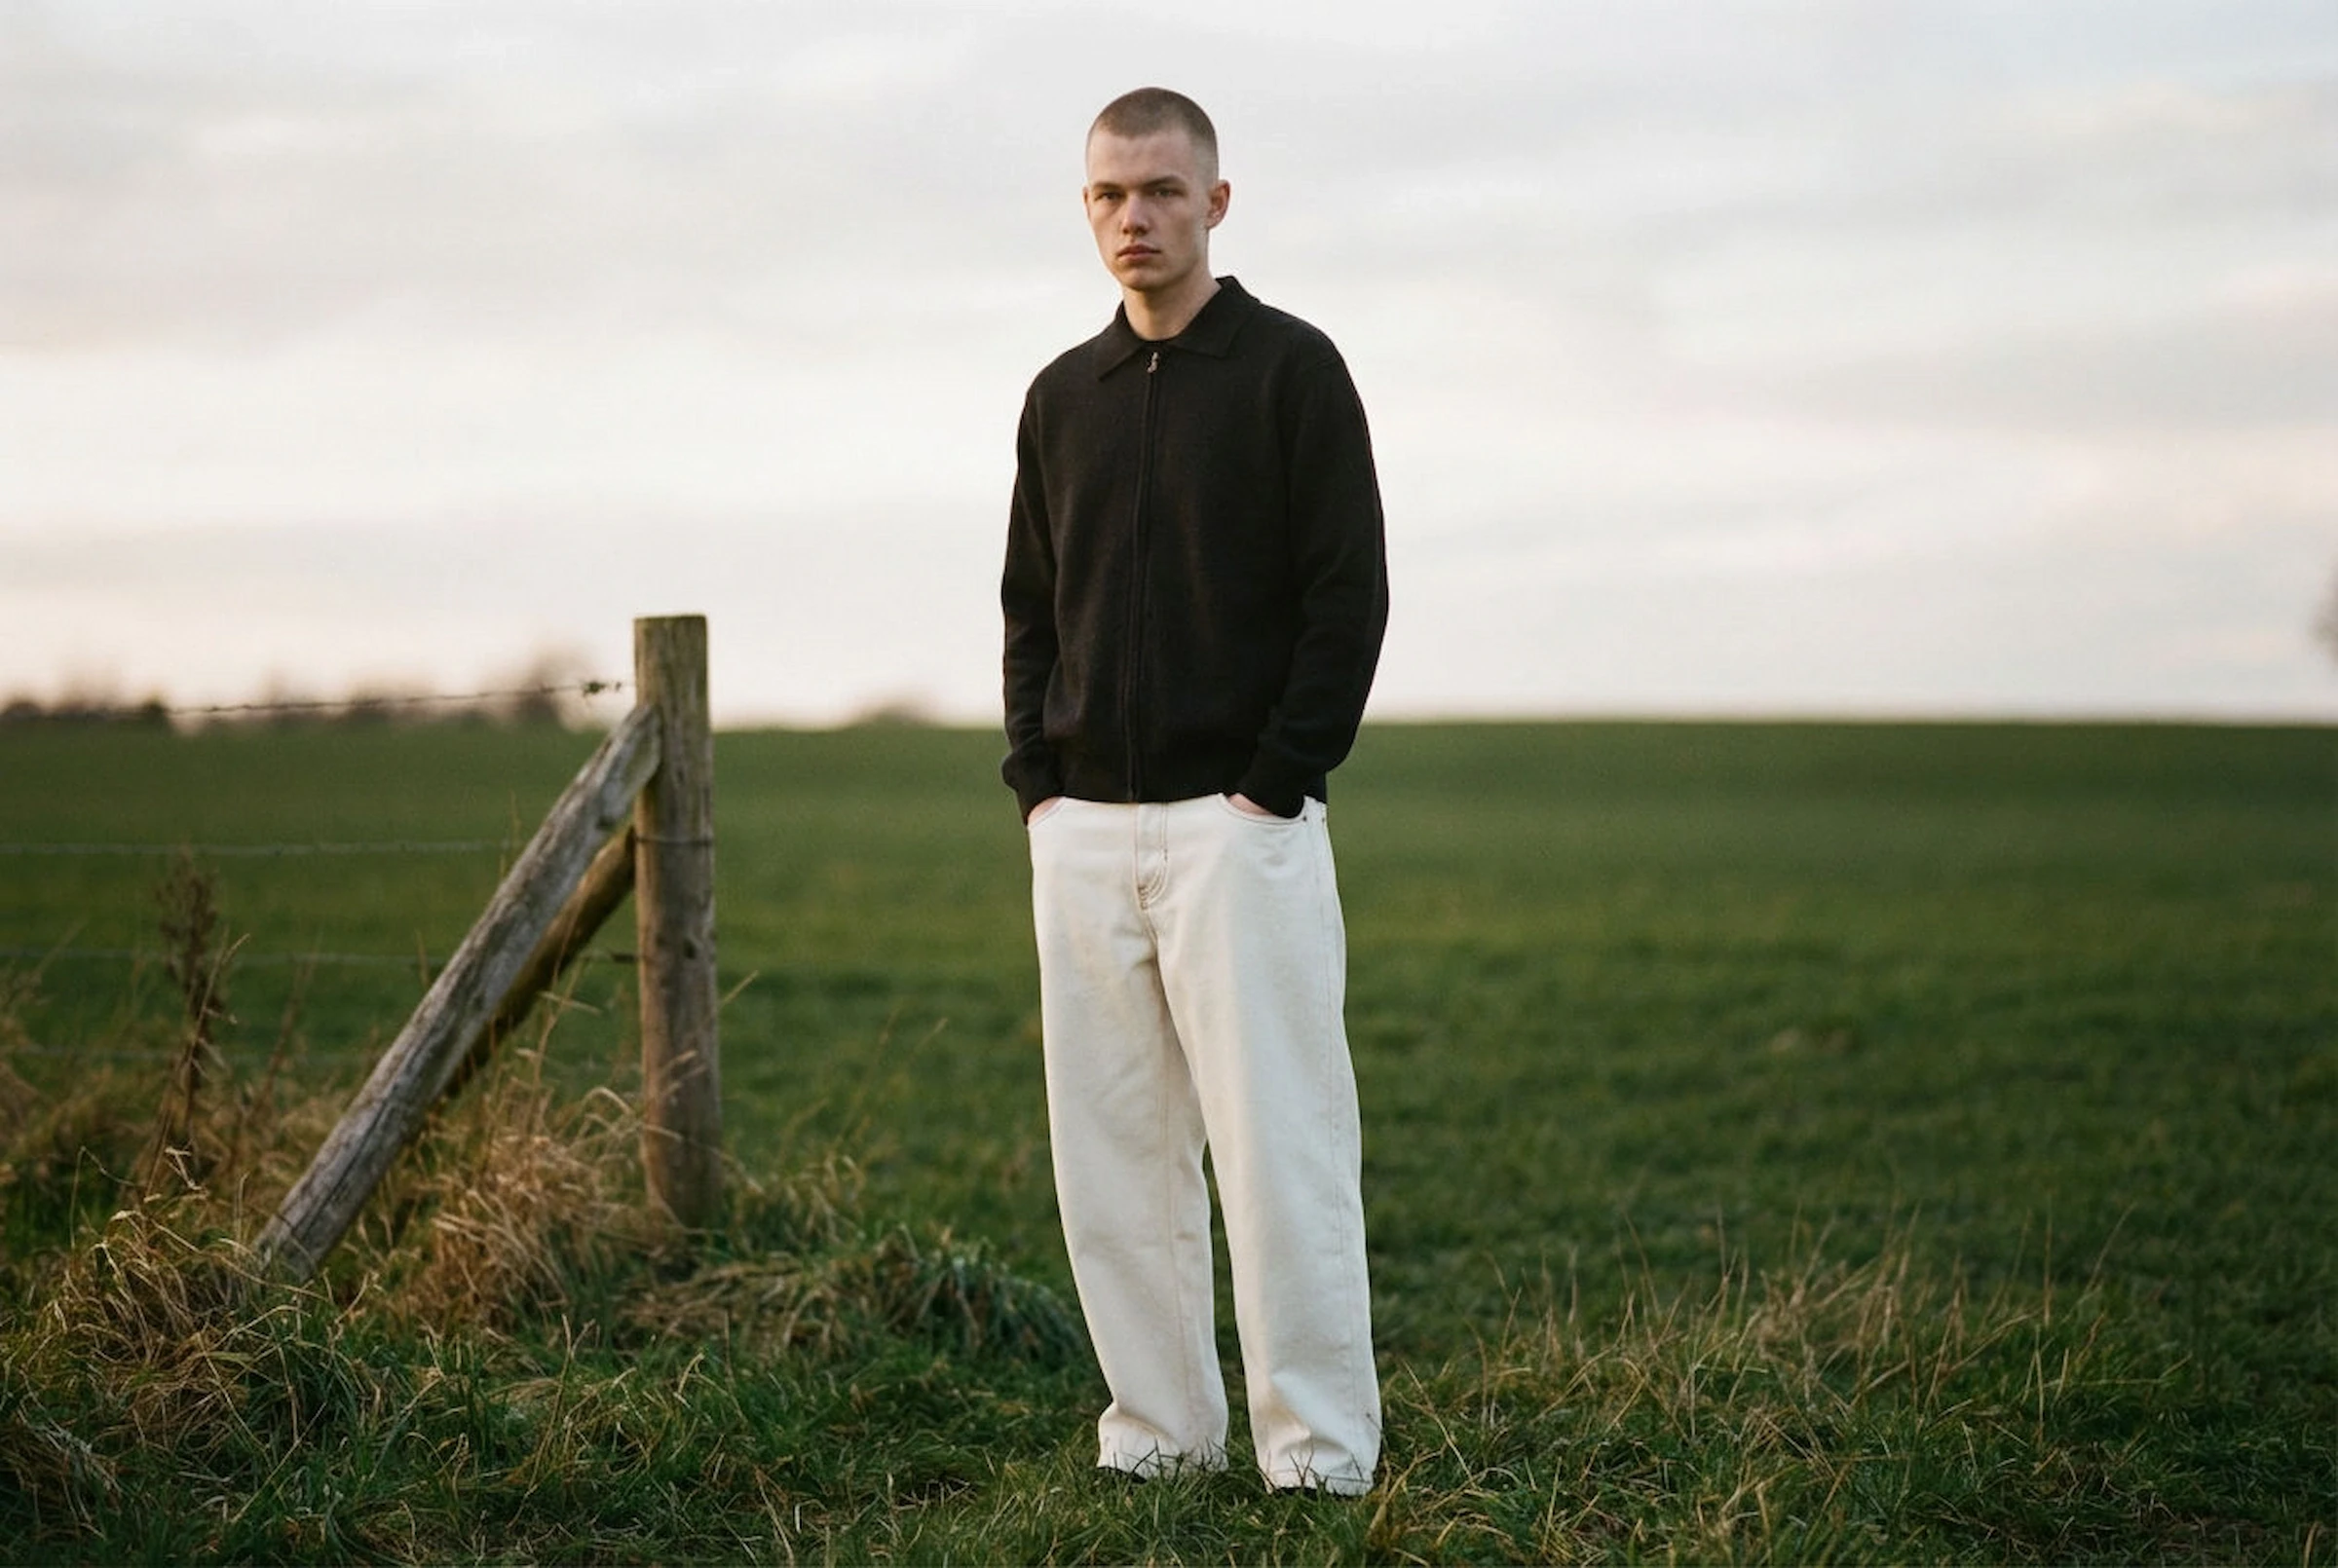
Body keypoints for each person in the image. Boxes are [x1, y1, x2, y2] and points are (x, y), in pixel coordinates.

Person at [999, 86, 1389, 1497]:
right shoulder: (1061, 398)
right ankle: (1160, 1436)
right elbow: (1028, 612)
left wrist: (1277, 784)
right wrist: (1039, 789)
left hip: (1246, 828)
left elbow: (1348, 598)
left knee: (1281, 1150)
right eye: (1108, 194)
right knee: (1112, 1159)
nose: (1134, 218)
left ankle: (1321, 1457)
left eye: (1161, 191)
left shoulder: (1292, 371)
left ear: (1216, 203)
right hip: (1085, 832)